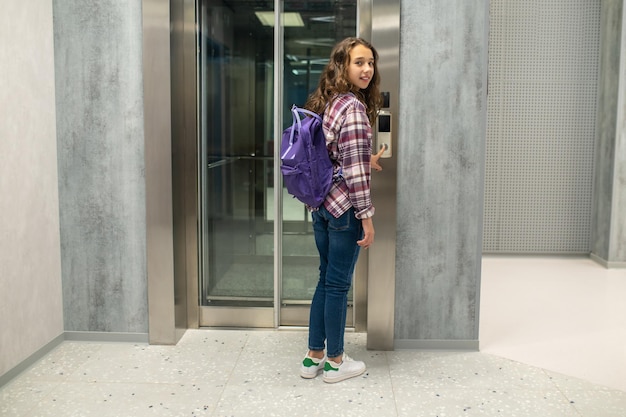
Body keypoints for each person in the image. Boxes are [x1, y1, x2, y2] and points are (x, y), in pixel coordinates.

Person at [299, 37, 384, 383]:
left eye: (370, 63)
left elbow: (336, 154)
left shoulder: (328, 102)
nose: (367, 69)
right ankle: (335, 361)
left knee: (325, 279)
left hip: (321, 205)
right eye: (359, 63)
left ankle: (313, 356)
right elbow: (353, 173)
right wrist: (367, 219)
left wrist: (368, 158)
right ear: (343, 67)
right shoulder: (353, 108)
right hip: (344, 209)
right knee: (337, 285)